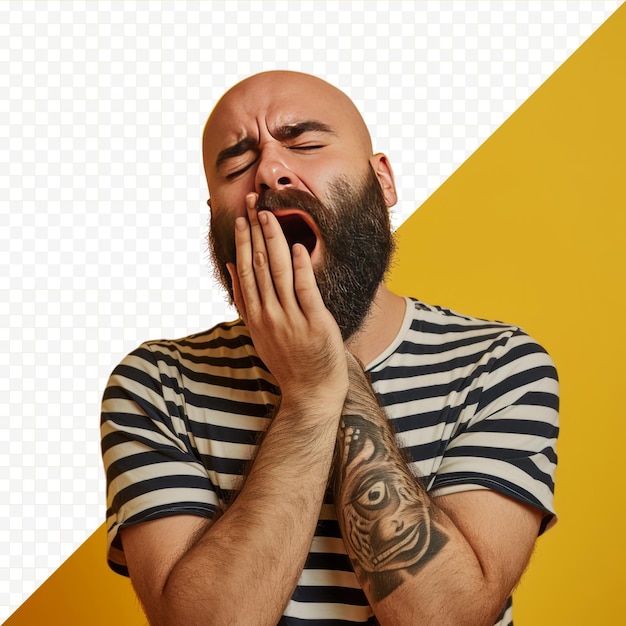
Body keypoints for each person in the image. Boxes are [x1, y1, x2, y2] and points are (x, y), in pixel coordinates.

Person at [100, 70, 559, 625]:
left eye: (305, 144)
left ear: (382, 181)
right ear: (215, 215)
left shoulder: (502, 367)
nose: (268, 171)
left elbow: (445, 619)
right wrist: (309, 397)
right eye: (236, 163)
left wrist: (326, 363)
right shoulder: (155, 384)